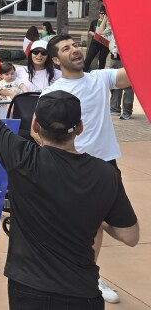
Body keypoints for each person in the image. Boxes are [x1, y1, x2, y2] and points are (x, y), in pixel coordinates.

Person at [0, 26, 139, 310]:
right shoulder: (107, 177)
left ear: (35, 125)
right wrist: (94, 209)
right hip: (82, 293)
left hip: (27, 289)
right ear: (80, 128)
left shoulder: (22, 160)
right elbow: (130, 236)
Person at [44, 33, 134, 303]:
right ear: (56, 60)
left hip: (105, 165)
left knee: (107, 228)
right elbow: (39, 129)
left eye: (75, 45)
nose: (75, 50)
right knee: (68, 226)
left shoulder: (99, 78)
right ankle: (64, 277)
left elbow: (132, 76)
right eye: (66, 48)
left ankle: (88, 276)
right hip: (70, 166)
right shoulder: (52, 93)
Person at [108, 30, 134, 121]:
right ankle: (115, 108)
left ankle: (127, 111)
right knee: (114, 82)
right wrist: (103, 21)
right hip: (114, 58)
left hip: (126, 57)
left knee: (127, 85)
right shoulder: (110, 28)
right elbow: (98, 34)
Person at [84, 7, 110, 71]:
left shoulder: (109, 22)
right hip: (96, 41)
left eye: (104, 14)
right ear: (99, 14)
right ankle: (83, 71)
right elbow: (90, 30)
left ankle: (101, 74)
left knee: (102, 60)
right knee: (89, 57)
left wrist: (105, 21)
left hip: (105, 43)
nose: (103, 15)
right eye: (101, 13)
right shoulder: (95, 22)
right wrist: (93, 33)